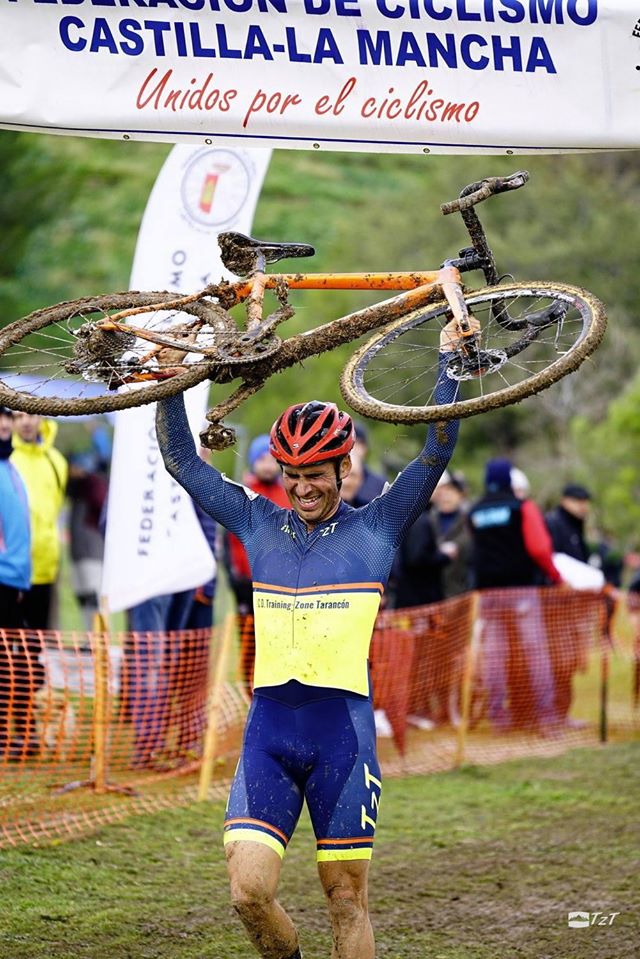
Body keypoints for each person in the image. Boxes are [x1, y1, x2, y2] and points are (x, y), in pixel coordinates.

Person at [155, 321, 462, 959]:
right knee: (247, 893)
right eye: (292, 474)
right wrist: (168, 383)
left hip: (339, 733)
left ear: (344, 468)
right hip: (269, 729)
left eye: (316, 474)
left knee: (345, 900)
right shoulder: (257, 519)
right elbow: (184, 462)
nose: (301, 488)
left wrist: (451, 362)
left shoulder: (377, 527)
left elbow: (434, 452)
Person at [469, 458, 562, 733]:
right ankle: (545, 716)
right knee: (535, 654)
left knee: (495, 657)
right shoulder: (523, 507)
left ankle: (499, 718)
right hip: (522, 591)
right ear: (510, 479)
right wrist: (556, 578)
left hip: (487, 594)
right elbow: (539, 549)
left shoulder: (475, 511)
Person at [222, 433, 289, 692]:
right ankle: (249, 687)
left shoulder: (286, 494)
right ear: (252, 461)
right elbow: (229, 542)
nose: (268, 465)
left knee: (276, 638)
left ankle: (275, 686)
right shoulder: (243, 493)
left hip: (279, 582)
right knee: (249, 639)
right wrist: (234, 579)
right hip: (246, 582)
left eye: (272, 459)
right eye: (262, 459)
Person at [10, 412, 68, 630]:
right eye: (18, 416)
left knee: (35, 644)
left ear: (41, 418)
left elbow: (56, 507)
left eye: (31, 415)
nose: (25, 421)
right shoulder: (7, 459)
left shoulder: (57, 462)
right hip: (10, 569)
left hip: (45, 568)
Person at [0, 406, 31, 758]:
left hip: (18, 579)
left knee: (16, 663)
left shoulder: (11, 469)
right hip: (3, 575)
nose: (6, 424)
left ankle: (15, 731)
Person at [431, 468, 472, 598]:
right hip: (432, 595)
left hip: (461, 594)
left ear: (461, 495)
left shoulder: (469, 521)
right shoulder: (428, 520)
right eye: (443, 491)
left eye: (452, 491)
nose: (446, 496)